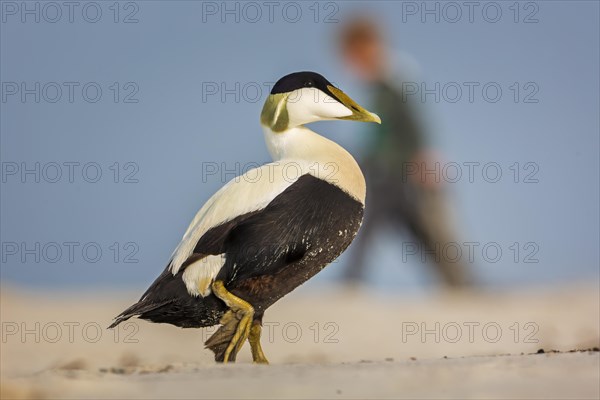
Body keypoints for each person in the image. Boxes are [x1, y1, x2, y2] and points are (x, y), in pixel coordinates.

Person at [338, 16, 473, 288]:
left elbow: (414, 124)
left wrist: (426, 157)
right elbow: (383, 134)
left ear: (368, 47)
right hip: (386, 173)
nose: (352, 64)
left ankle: (462, 285)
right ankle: (460, 285)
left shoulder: (394, 80)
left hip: (400, 173)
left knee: (415, 230)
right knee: (391, 228)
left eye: (355, 55)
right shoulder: (380, 85)